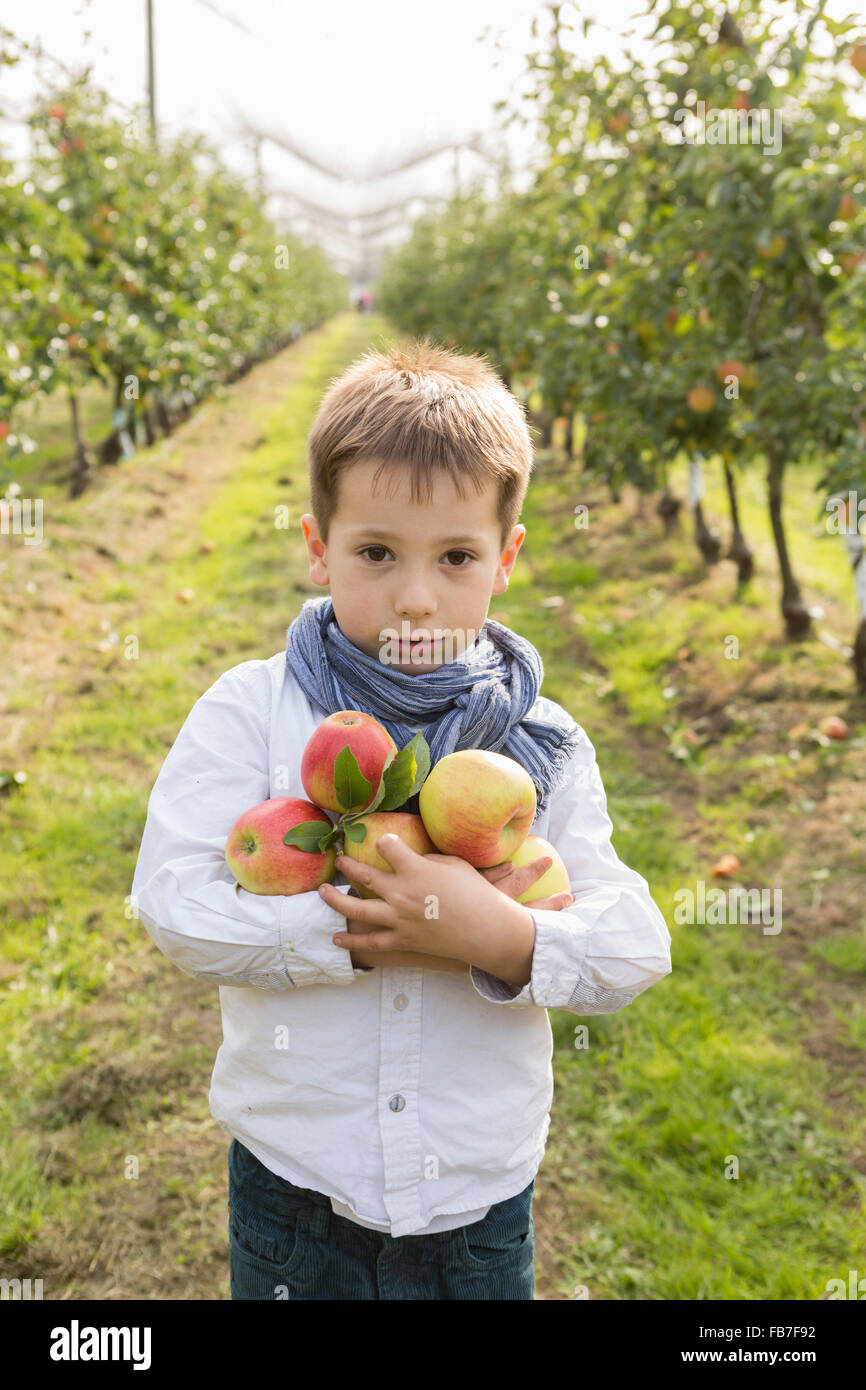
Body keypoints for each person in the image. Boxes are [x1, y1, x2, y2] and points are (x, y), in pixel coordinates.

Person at [130, 337, 672, 1300]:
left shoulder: (539, 745)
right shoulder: (256, 713)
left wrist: (499, 936)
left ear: (505, 559)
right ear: (316, 547)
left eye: (456, 556)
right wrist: (372, 936)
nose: (416, 596)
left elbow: (634, 946)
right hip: (296, 1192)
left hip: (476, 1205)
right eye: (376, 552)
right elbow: (172, 903)